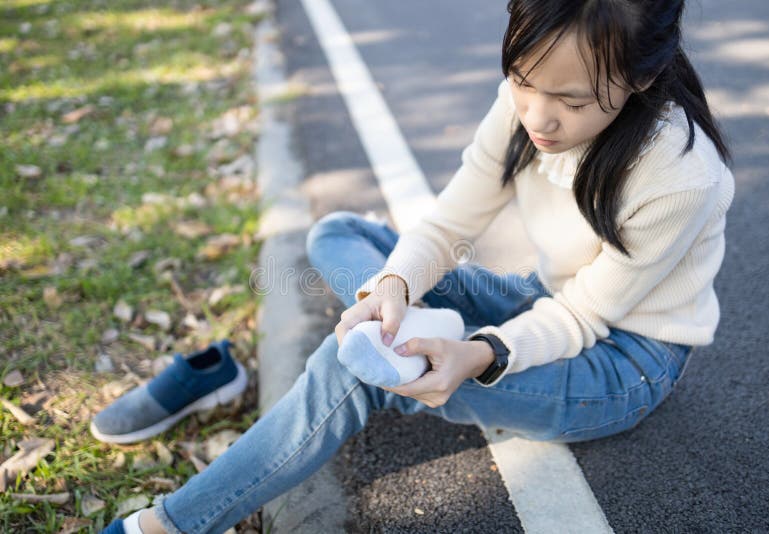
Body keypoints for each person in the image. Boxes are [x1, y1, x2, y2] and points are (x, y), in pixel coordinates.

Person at [103, 0, 735, 531]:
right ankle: (408, 328)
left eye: (570, 100)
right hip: (541, 299)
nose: (538, 116)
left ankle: (167, 524)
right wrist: (394, 286)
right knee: (339, 232)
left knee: (348, 370)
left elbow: (583, 315)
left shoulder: (681, 176)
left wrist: (483, 353)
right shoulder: (525, 103)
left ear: (642, 78)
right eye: (522, 80)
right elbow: (448, 224)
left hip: (622, 361)